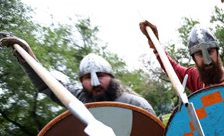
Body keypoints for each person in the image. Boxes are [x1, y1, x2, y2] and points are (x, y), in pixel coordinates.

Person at [0, 34, 155, 114]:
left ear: (111, 77)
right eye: (88, 78)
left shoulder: (134, 103)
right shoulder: (79, 99)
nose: (95, 83)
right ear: (81, 80)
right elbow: (49, 84)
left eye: (100, 75)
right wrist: (27, 58)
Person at [139, 21, 224, 92]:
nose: (207, 60)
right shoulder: (196, 78)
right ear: (194, 58)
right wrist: (156, 44)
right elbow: (172, 68)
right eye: (200, 54)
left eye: (210, 51)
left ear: (217, 52)